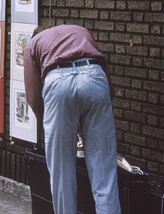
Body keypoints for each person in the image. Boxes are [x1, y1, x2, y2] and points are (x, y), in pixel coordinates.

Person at [23, 23, 121, 214]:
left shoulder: (33, 44)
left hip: (58, 82)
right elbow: (104, 70)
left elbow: (33, 96)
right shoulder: (81, 31)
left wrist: (49, 123)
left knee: (61, 169)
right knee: (104, 170)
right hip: (95, 77)